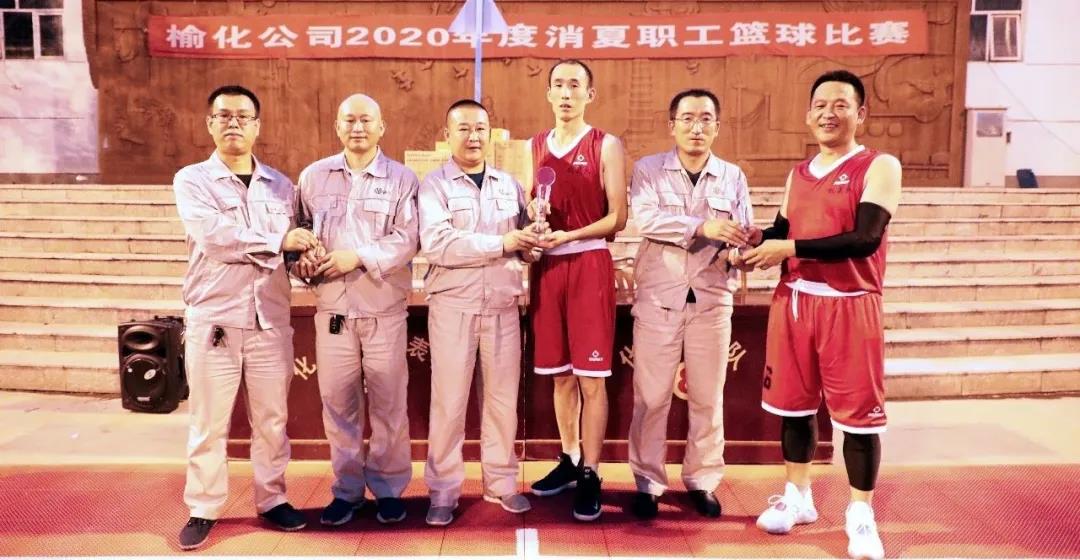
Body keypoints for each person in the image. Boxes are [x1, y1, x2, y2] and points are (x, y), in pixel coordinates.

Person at [738, 69, 902, 560]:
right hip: (795, 302)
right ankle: (798, 498)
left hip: (850, 305)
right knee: (794, 408)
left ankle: (861, 515)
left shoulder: (879, 166)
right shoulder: (799, 172)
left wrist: (787, 247)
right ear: (808, 115)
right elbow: (783, 230)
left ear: (860, 113)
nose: (829, 113)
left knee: (859, 420)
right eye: (820, 106)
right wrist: (755, 240)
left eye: (840, 105)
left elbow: (864, 239)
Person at [174, 85, 318, 550]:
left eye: (243, 116)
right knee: (209, 422)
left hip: (269, 321)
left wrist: (306, 262)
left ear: (257, 125)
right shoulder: (192, 180)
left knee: (272, 419)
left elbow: (292, 251)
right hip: (215, 319)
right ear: (210, 124)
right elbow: (215, 237)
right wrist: (280, 243)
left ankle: (272, 498)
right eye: (224, 116)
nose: (233, 123)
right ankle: (203, 506)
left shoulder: (282, 186)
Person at [626, 88, 758, 520]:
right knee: (651, 397)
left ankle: (702, 479)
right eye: (687, 119)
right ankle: (648, 482)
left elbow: (742, 232)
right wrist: (704, 226)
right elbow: (646, 219)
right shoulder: (648, 170)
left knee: (707, 396)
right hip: (658, 299)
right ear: (672, 125)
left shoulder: (733, 176)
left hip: (712, 300)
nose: (696, 127)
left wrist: (744, 249)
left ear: (717, 127)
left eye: (705, 119)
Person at [293, 93, 419, 526]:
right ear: (337, 126)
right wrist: (301, 263)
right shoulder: (313, 177)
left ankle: (388, 489)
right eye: (349, 120)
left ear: (382, 127)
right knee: (338, 404)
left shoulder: (402, 179)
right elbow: (299, 233)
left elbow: (407, 239)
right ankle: (347, 490)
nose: (358, 127)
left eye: (366, 120)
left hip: (383, 308)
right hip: (332, 311)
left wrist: (358, 257)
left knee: (389, 404)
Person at [418, 99, 543, 526]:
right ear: (447, 135)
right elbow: (439, 244)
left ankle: (502, 483)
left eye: (481, 129)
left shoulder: (509, 185)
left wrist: (532, 242)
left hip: (503, 306)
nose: (474, 137)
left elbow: (524, 247)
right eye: (464, 129)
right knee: (449, 404)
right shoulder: (433, 186)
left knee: (503, 401)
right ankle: (443, 491)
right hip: (453, 307)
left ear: (490, 134)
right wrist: (503, 243)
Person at [527, 59, 628, 522]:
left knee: (591, 377)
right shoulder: (532, 147)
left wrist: (569, 236)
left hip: (588, 261)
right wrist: (534, 224)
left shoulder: (605, 144)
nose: (566, 93)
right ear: (548, 93)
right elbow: (527, 207)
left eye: (575, 85)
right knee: (561, 375)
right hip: (548, 268)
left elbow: (617, 218)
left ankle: (591, 470)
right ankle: (569, 457)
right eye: (558, 85)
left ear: (590, 94)